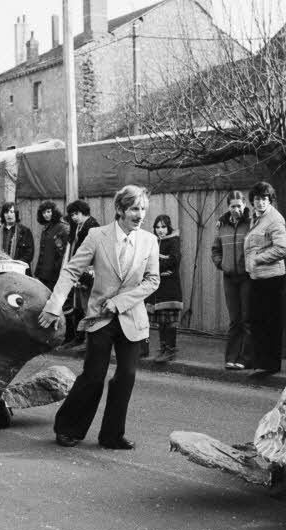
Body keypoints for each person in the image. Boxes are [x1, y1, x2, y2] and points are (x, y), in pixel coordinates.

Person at [40, 185, 159, 451]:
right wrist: (54, 305)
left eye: (143, 209)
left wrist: (119, 302)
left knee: (126, 376)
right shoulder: (96, 235)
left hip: (131, 318)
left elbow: (153, 280)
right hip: (100, 318)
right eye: (134, 209)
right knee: (93, 375)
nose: (139, 215)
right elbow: (71, 271)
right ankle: (68, 428)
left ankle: (112, 435)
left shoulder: (149, 240)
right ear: (120, 210)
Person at [244, 180, 286, 377]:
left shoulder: (274, 219)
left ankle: (271, 365)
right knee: (258, 321)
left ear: (270, 200)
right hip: (257, 278)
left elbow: (282, 249)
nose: (260, 202)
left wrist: (257, 259)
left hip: (271, 278)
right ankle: (261, 362)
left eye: (264, 199)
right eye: (257, 199)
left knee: (270, 322)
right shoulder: (256, 218)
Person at [210, 190, 252, 370]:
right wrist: (222, 265)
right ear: (228, 207)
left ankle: (245, 358)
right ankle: (231, 357)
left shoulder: (251, 223)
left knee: (247, 318)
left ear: (244, 205)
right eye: (233, 206)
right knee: (234, 319)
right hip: (229, 277)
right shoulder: (222, 225)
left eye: (239, 206)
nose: (236, 209)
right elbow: (215, 249)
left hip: (247, 277)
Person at [62, 200, 100, 350]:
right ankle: (81, 338)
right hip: (81, 270)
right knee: (80, 305)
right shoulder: (78, 227)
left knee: (90, 306)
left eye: (76, 214)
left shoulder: (92, 226)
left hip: (89, 271)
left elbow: (92, 252)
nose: (73, 217)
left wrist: (86, 272)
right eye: (72, 215)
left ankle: (91, 342)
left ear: (83, 212)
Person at [146, 214, 183, 363]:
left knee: (169, 319)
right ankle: (163, 347)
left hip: (169, 287)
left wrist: (157, 265)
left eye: (163, 227)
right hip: (157, 287)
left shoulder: (173, 241)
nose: (160, 230)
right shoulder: (153, 242)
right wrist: (160, 263)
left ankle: (171, 349)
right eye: (157, 227)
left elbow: (174, 260)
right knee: (160, 319)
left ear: (169, 228)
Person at [34, 200, 69, 291]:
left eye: (48, 211)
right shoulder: (45, 228)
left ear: (54, 212)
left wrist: (56, 271)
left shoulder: (61, 228)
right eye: (44, 212)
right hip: (43, 273)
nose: (46, 215)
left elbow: (63, 253)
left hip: (54, 274)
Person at [0, 202, 35, 269]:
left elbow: (29, 253)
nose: (9, 215)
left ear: (16, 214)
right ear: (3, 215)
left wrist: (15, 265)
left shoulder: (25, 231)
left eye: (11, 212)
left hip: (19, 270)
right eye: (6, 212)